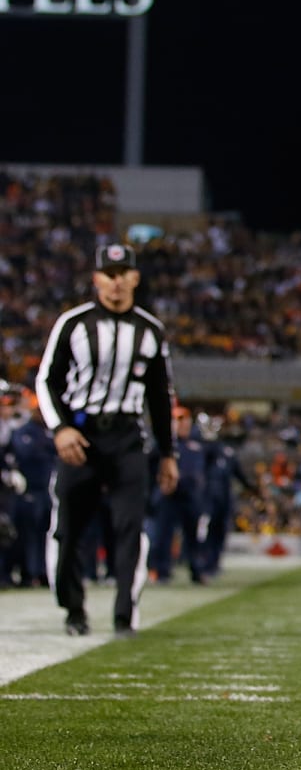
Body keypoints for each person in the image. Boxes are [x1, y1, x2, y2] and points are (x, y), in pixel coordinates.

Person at [35, 242, 179, 637]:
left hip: (127, 436)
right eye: (109, 275)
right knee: (68, 527)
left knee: (130, 526)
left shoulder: (150, 330)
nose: (116, 282)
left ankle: (124, 615)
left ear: (135, 278)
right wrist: (61, 428)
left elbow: (160, 397)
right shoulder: (73, 324)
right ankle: (73, 610)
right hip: (80, 436)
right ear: (97, 278)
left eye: (123, 274)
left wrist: (168, 453)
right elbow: (46, 380)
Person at [2, 385, 57, 589]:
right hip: (23, 489)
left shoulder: (34, 429)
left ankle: (35, 572)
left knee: (35, 532)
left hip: (37, 488)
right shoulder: (21, 430)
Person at [147, 406, 208, 585]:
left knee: (194, 536)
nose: (183, 424)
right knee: (162, 535)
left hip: (191, 496)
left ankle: (197, 570)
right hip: (168, 495)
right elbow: (149, 468)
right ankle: (161, 570)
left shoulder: (197, 444)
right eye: (178, 420)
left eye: (185, 420)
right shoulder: (162, 446)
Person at [198, 412, 260, 579]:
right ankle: (202, 564)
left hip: (224, 497)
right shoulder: (203, 448)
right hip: (206, 497)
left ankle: (214, 563)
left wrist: (252, 488)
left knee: (220, 531)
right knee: (205, 531)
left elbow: (239, 474)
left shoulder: (227, 451)